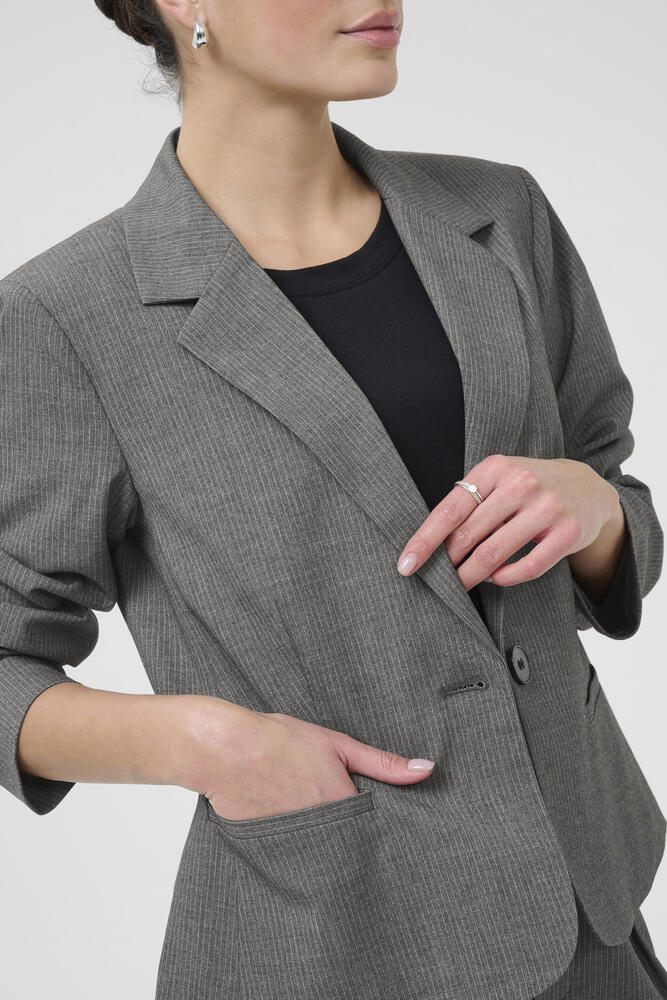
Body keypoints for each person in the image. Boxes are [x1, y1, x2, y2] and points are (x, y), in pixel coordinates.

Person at [1, 2, 666, 997]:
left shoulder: (500, 215)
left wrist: (596, 510)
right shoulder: (66, 317)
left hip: (590, 920)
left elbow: (618, 504)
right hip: (334, 942)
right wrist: (203, 744)